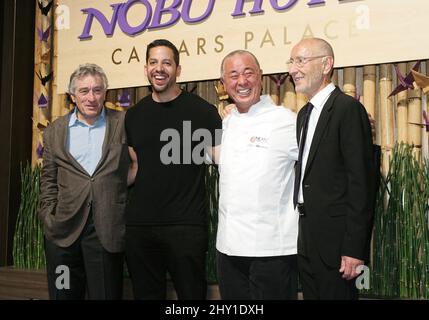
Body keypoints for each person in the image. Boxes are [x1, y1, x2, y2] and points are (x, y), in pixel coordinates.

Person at [124, 39, 222, 300]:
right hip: (140, 228)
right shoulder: (133, 115)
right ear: (146, 69)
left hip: (186, 227)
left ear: (178, 70)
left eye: (167, 62)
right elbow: (134, 167)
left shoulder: (203, 112)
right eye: (153, 62)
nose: (160, 68)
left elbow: (223, 160)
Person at [289, 38, 375, 299]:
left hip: (338, 247)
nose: (293, 69)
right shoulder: (304, 114)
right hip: (306, 238)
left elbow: (362, 184)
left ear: (326, 64)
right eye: (291, 62)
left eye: (300, 61)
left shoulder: (348, 110)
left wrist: (354, 248)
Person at [39, 63, 130, 299]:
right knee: (63, 293)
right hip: (63, 236)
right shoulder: (54, 132)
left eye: (97, 90)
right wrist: (49, 216)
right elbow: (48, 179)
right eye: (84, 91)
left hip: (105, 231)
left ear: (105, 93)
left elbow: (138, 164)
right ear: (72, 95)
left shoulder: (122, 124)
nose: (91, 97)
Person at [215, 50, 299, 299]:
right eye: (233, 75)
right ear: (223, 84)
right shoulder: (223, 123)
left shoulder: (287, 121)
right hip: (228, 249)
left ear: (260, 76)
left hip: (272, 249)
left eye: (248, 73)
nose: (242, 82)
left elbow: (323, 159)